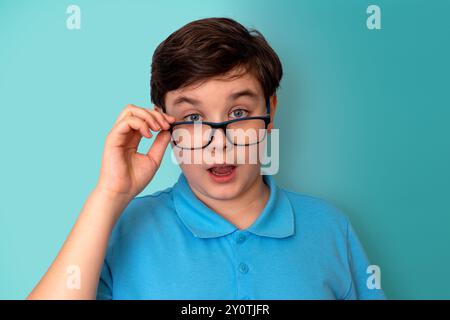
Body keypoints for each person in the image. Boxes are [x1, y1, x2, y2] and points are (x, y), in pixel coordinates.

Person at [27, 17, 385, 300]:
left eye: (239, 112)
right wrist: (109, 194)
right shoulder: (120, 227)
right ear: (163, 123)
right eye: (194, 119)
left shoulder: (329, 229)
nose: (219, 145)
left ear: (270, 111)